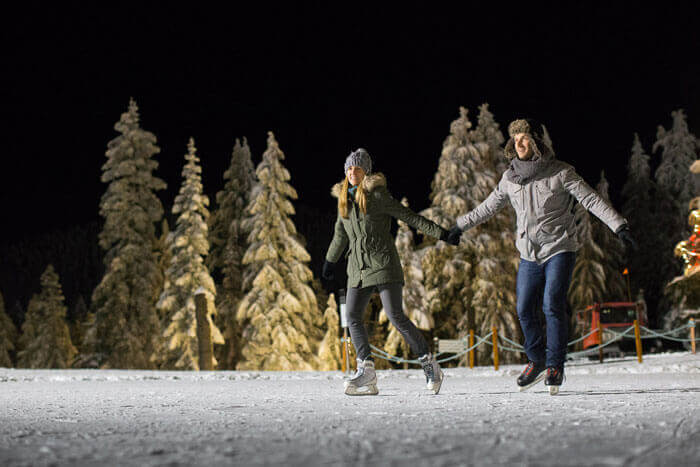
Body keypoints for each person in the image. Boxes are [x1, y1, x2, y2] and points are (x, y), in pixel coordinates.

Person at [447, 119, 636, 395]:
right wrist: (458, 227)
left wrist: (619, 226)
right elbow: (487, 208)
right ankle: (536, 361)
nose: (519, 143)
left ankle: (555, 365)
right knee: (524, 309)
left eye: (525, 138)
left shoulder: (560, 173)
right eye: (515, 139)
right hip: (528, 255)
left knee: (552, 304)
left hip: (559, 248)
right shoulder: (510, 179)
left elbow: (591, 200)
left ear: (536, 142)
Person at [323, 148, 459, 395]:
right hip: (358, 268)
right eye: (349, 168)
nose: (353, 172)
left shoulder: (377, 196)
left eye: (358, 168)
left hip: (384, 264)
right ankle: (367, 372)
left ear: (366, 172)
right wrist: (330, 261)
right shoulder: (344, 202)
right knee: (353, 316)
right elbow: (340, 235)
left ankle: (430, 365)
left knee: (396, 315)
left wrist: (442, 234)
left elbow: (410, 217)